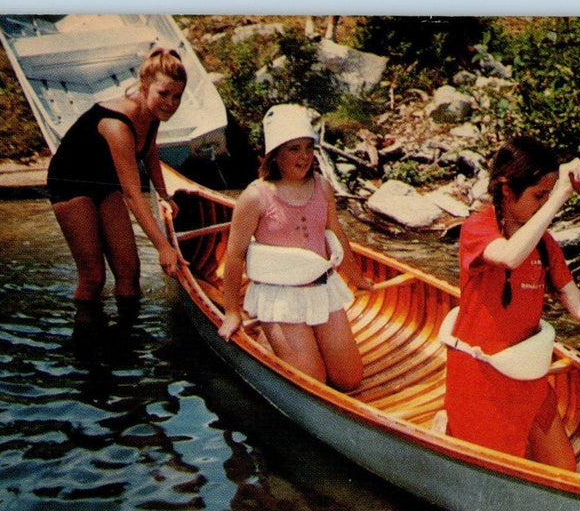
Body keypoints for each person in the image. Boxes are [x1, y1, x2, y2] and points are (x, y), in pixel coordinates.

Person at [442, 136, 580, 471]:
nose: (543, 204)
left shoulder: (544, 245)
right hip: (480, 380)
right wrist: (557, 197)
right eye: (538, 196)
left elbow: (577, 303)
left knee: (564, 470)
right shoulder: (478, 227)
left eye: (547, 195)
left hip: (526, 376)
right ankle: (448, 427)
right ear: (506, 189)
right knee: (500, 472)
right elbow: (510, 256)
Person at [217, 104, 372, 391]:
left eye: (308, 148)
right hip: (280, 299)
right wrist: (232, 312)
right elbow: (235, 256)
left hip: (322, 291)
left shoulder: (322, 186)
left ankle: (285, 342)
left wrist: (357, 278)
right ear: (275, 154)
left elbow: (336, 234)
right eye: (293, 149)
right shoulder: (254, 197)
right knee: (313, 382)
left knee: (349, 379)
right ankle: (269, 336)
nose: (303, 157)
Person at [47, 46, 189, 342]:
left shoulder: (151, 114)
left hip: (104, 180)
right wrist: (164, 247)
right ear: (144, 87)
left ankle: (125, 342)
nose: (170, 103)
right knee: (93, 275)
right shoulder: (116, 124)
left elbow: (149, 150)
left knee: (129, 271)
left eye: (177, 96)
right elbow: (134, 194)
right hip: (70, 181)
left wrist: (165, 194)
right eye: (164, 94)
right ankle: (84, 349)